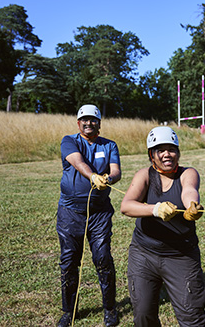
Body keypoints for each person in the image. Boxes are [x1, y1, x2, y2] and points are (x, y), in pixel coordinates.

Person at [120, 126, 205, 327]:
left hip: (181, 255)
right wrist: (156, 209)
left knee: (192, 316)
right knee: (143, 314)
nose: (167, 154)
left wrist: (191, 205)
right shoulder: (144, 175)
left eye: (171, 149)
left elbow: (189, 190)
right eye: (161, 150)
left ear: (178, 152)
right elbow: (126, 206)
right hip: (144, 253)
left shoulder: (188, 173)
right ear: (152, 154)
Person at [56, 104, 121, 327]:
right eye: (84, 119)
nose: (88, 122)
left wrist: (109, 180)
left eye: (93, 119)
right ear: (78, 123)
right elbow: (77, 161)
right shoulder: (69, 141)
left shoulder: (110, 145)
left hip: (100, 213)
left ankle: (110, 309)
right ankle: (68, 311)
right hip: (70, 212)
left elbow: (116, 171)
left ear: (99, 123)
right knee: (69, 261)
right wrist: (93, 176)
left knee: (102, 258)